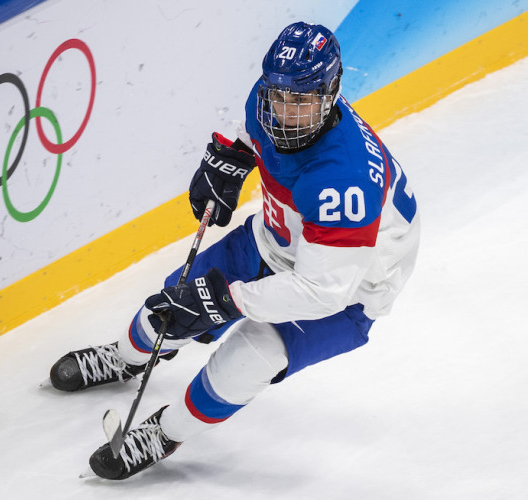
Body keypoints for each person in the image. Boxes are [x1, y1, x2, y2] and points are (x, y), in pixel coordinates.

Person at [49, 21, 420, 480]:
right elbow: (250, 131)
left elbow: (322, 290)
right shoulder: (271, 98)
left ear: (331, 92)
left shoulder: (342, 181)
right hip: (277, 236)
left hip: (352, 287)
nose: (285, 112)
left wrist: (228, 301)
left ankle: (165, 432)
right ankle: (123, 358)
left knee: (249, 358)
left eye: (300, 101)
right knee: (170, 306)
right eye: (279, 96)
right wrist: (230, 157)